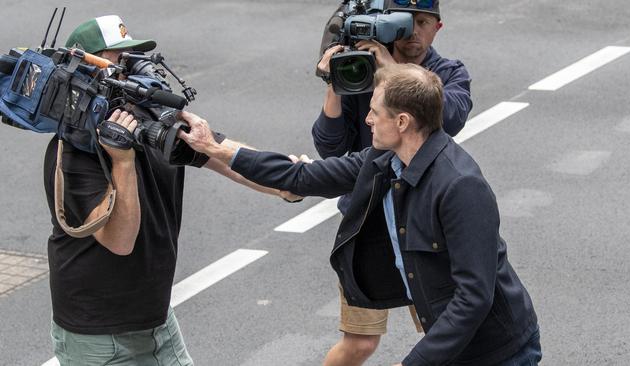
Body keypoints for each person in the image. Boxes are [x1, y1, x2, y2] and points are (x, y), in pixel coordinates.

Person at [178, 63, 541, 366]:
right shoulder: (383, 160)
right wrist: (215, 148)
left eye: (374, 111)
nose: (366, 120)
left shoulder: (459, 186)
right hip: (451, 348)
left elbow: (474, 297)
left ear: (402, 122)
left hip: (498, 352)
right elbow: (301, 176)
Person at [46, 15, 295, 366]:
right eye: (117, 62)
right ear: (85, 70)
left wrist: (286, 181)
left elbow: (218, 153)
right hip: (99, 334)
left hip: (156, 321)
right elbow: (120, 240)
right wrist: (122, 162)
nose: (129, 73)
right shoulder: (73, 150)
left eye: (132, 60)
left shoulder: (149, 118)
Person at [313, 1, 473, 363]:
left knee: (448, 330)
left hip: (425, 225)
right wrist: (335, 83)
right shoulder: (362, 70)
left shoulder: (448, 73)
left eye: (422, 22)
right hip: (370, 222)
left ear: (438, 27)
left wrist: (395, 73)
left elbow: (450, 118)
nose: (414, 32)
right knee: (360, 343)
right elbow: (330, 147)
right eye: (405, 23)